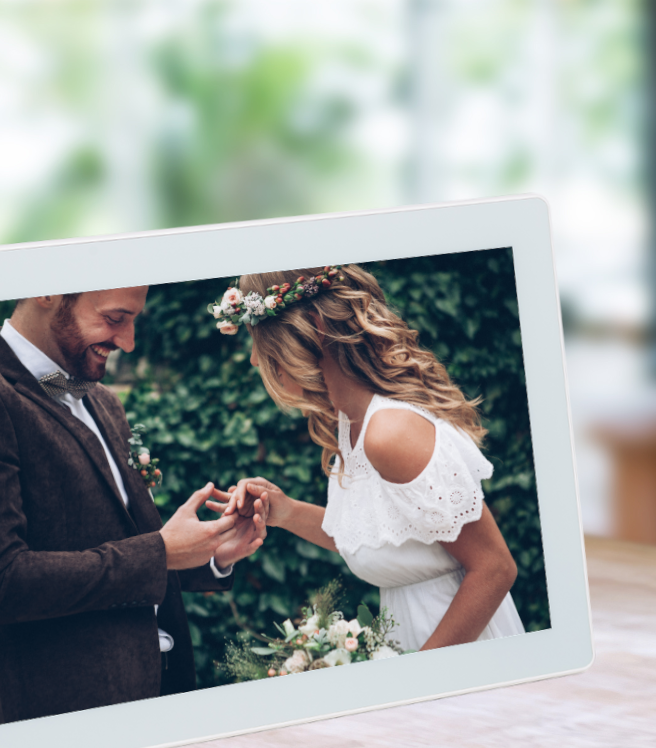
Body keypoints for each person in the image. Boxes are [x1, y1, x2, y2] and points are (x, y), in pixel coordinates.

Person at [0, 287, 267, 725]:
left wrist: (210, 553)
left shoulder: (103, 400)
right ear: (46, 291)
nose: (128, 341)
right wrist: (161, 552)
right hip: (69, 716)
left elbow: (120, 547)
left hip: (166, 692)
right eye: (114, 318)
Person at [214, 265, 522, 651]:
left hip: (459, 644)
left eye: (261, 342)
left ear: (313, 326)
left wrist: (418, 681)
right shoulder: (351, 420)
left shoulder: (389, 434)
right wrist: (286, 512)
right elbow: (380, 535)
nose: (255, 361)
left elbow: (494, 568)